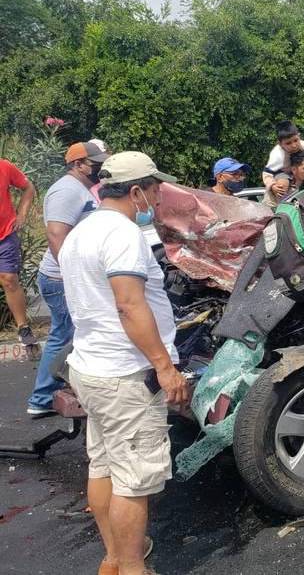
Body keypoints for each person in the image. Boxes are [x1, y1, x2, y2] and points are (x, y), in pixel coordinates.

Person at [60, 151, 188, 575]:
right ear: (135, 192)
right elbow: (130, 307)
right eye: (153, 189)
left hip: (91, 368)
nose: (157, 196)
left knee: (105, 465)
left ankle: (113, 558)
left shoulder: (82, 230)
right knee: (134, 481)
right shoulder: (123, 234)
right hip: (125, 375)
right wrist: (165, 366)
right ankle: (134, 568)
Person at [27, 141, 109, 416]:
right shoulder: (67, 190)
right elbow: (56, 235)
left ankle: (49, 395)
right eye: (95, 163)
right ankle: (41, 399)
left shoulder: (81, 189)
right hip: (60, 278)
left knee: (67, 334)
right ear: (78, 164)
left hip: (66, 276)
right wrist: (73, 276)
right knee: (63, 336)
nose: (99, 168)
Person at [0, 159, 37, 345]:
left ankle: (23, 327)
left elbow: (28, 187)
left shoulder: (4, 166)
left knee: (9, 279)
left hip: (5, 234)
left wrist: (21, 214)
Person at [262, 120, 304, 202]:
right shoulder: (277, 154)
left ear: (299, 136)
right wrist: (272, 186)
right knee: (281, 186)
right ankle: (278, 207)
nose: (294, 145)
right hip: (283, 174)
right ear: (280, 144)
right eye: (288, 143)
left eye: (296, 140)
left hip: (301, 172)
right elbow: (267, 173)